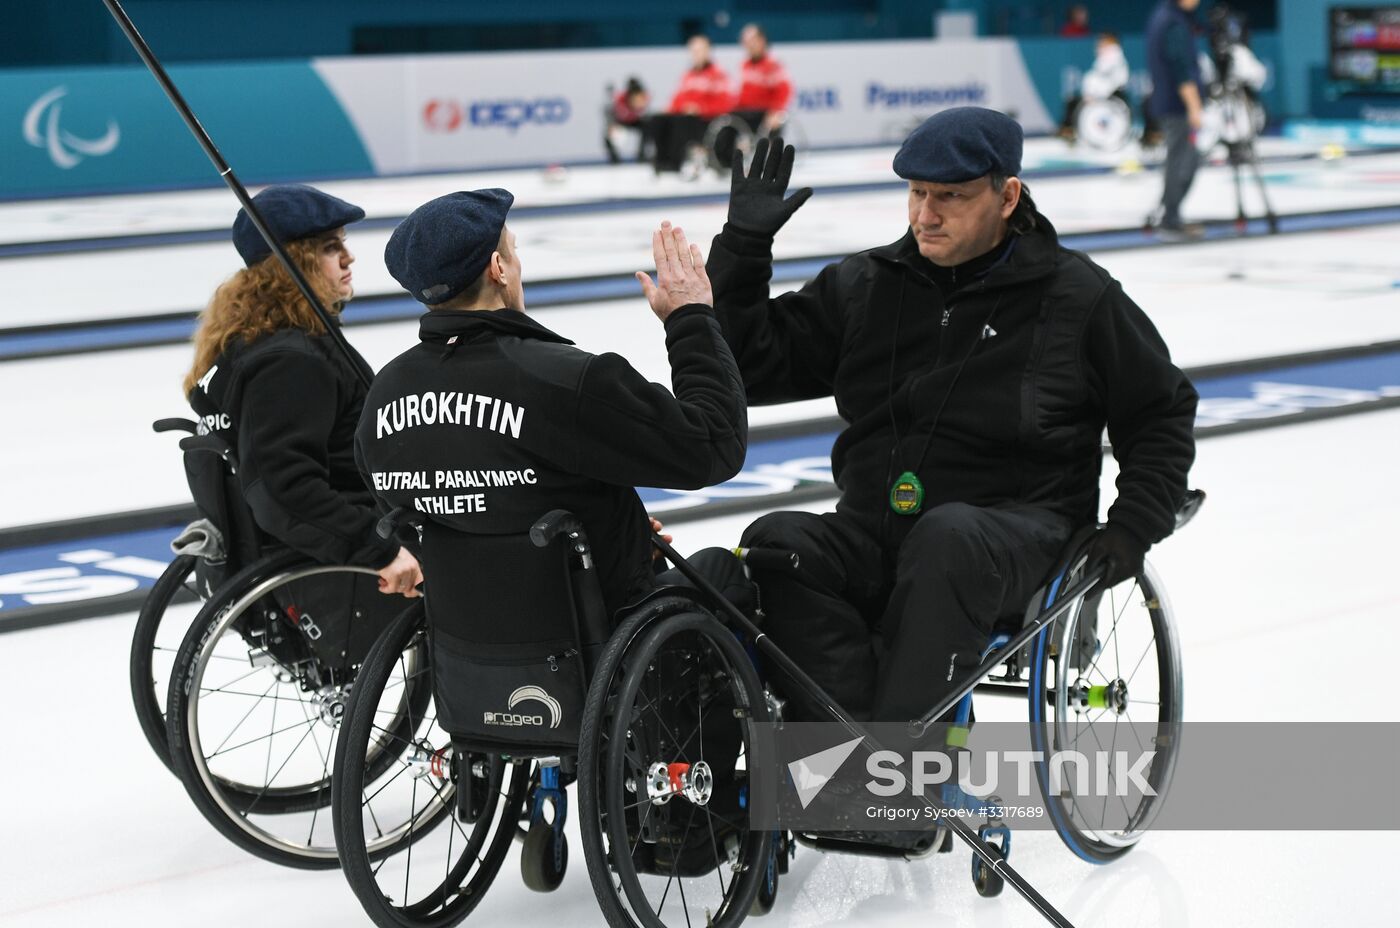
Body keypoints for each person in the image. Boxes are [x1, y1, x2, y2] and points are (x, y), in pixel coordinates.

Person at [704, 112, 1197, 743]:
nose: (925, 215)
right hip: (876, 532)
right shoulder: (869, 285)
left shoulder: (1077, 298)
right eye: (916, 194)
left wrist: (1134, 526)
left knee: (948, 538)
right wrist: (744, 253)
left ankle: (906, 770)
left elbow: (1160, 410)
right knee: (780, 542)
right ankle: (841, 757)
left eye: (951, 197)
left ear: (1007, 196)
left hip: (1019, 536)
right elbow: (747, 365)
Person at [355, 190, 747, 618]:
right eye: (514, 252)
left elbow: (434, 521)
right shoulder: (565, 379)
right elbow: (711, 445)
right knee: (729, 571)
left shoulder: (382, 396)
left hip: (469, 651)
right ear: (498, 268)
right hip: (595, 635)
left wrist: (621, 533)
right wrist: (690, 318)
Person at [184, 184, 422, 596]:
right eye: (331, 248)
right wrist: (379, 549)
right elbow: (284, 490)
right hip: (363, 544)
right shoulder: (291, 362)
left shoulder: (253, 341)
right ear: (293, 263)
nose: (349, 258)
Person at [1147, 0, 1206, 239]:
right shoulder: (1173, 22)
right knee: (1181, 161)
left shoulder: (1163, 16)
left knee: (1183, 158)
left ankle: (1171, 214)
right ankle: (1170, 218)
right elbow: (1181, 68)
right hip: (1177, 105)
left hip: (1169, 103)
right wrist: (1194, 106)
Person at [650, 35, 734, 173]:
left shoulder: (719, 75)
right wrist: (670, 109)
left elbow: (725, 104)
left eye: (699, 50)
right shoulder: (688, 75)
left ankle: (675, 163)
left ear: (708, 51)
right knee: (658, 119)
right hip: (685, 116)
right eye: (693, 51)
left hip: (705, 120)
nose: (696, 54)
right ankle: (662, 162)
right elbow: (677, 99)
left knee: (683, 121)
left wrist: (700, 109)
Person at [1058, 32, 1131, 142]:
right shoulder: (1104, 59)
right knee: (1071, 101)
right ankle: (1068, 129)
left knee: (1072, 102)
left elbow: (1113, 82)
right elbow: (1093, 79)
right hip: (1098, 94)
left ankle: (1068, 130)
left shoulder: (1113, 56)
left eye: (1102, 43)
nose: (1098, 46)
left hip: (1109, 95)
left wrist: (1095, 96)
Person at [735, 23, 793, 135]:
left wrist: (776, 110)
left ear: (762, 41)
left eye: (752, 40)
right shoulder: (745, 65)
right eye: (745, 41)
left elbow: (784, 91)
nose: (749, 45)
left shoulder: (774, 65)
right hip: (746, 113)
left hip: (766, 112)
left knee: (774, 122)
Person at [605, 76, 650, 164]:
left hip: (634, 121)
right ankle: (614, 159)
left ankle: (641, 155)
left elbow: (642, 111)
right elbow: (611, 112)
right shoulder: (620, 98)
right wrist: (611, 124)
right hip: (620, 121)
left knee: (647, 128)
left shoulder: (643, 96)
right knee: (608, 136)